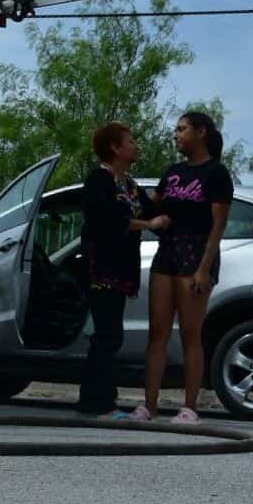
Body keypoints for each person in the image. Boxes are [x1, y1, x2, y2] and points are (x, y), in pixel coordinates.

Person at [128, 112, 233, 424]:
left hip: (197, 255)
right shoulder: (173, 172)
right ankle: (148, 406)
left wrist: (203, 270)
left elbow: (218, 227)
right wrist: (124, 182)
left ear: (200, 132)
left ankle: (190, 407)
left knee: (190, 333)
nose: (175, 134)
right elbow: (153, 205)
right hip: (167, 254)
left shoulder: (216, 174)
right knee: (157, 332)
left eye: (181, 129)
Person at [78, 123, 171, 419]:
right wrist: (147, 225)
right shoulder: (98, 180)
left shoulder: (129, 184)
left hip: (121, 272)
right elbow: (106, 220)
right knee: (106, 335)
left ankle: (97, 401)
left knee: (110, 335)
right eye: (131, 141)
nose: (136, 145)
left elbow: (150, 210)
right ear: (116, 148)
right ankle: (99, 404)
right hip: (100, 270)